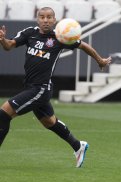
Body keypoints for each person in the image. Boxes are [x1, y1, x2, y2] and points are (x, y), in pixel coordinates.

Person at [0, 7, 111, 167]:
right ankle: (78, 145)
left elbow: (83, 45)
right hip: (30, 87)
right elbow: (9, 45)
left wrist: (99, 60)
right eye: (42, 17)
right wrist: (3, 39)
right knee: (49, 121)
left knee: (4, 113)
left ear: (54, 20)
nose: (46, 20)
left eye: (49, 17)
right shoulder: (30, 32)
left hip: (40, 89)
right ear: (37, 19)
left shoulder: (60, 37)